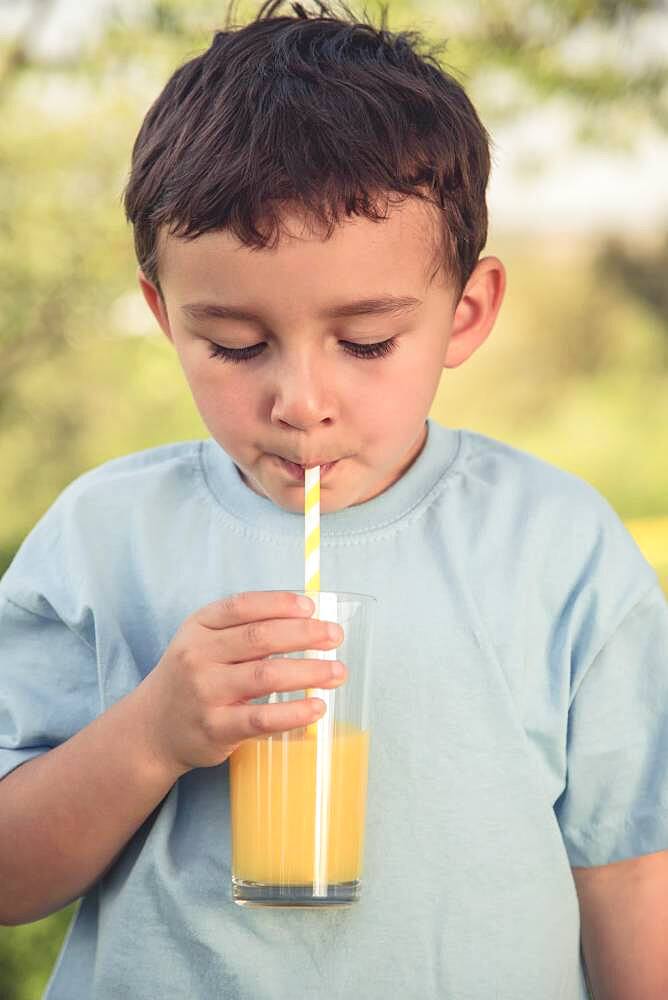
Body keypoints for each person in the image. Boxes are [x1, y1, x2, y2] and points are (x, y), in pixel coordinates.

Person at [1, 1, 666, 997]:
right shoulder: (106, 540)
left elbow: (627, 868)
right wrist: (152, 734)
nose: (300, 402)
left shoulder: (556, 546)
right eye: (232, 343)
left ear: (464, 313)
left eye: (364, 343)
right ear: (162, 312)